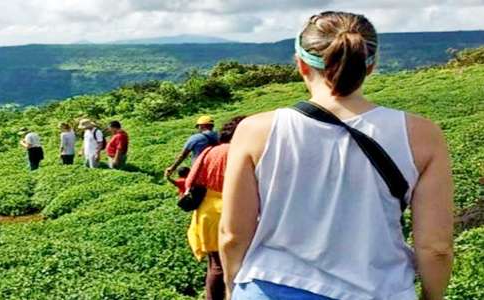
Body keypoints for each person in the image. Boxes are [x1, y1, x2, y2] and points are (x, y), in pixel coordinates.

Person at [220, 11, 453, 300]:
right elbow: (436, 247)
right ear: (371, 66)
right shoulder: (422, 134)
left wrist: (232, 287)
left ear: (301, 65)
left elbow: (232, 234)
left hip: (268, 286)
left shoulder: (255, 130)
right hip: (378, 290)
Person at [182, 116, 244, 300]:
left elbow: (190, 182)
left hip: (207, 213)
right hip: (233, 210)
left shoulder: (209, 152)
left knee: (215, 264)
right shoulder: (240, 151)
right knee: (237, 263)